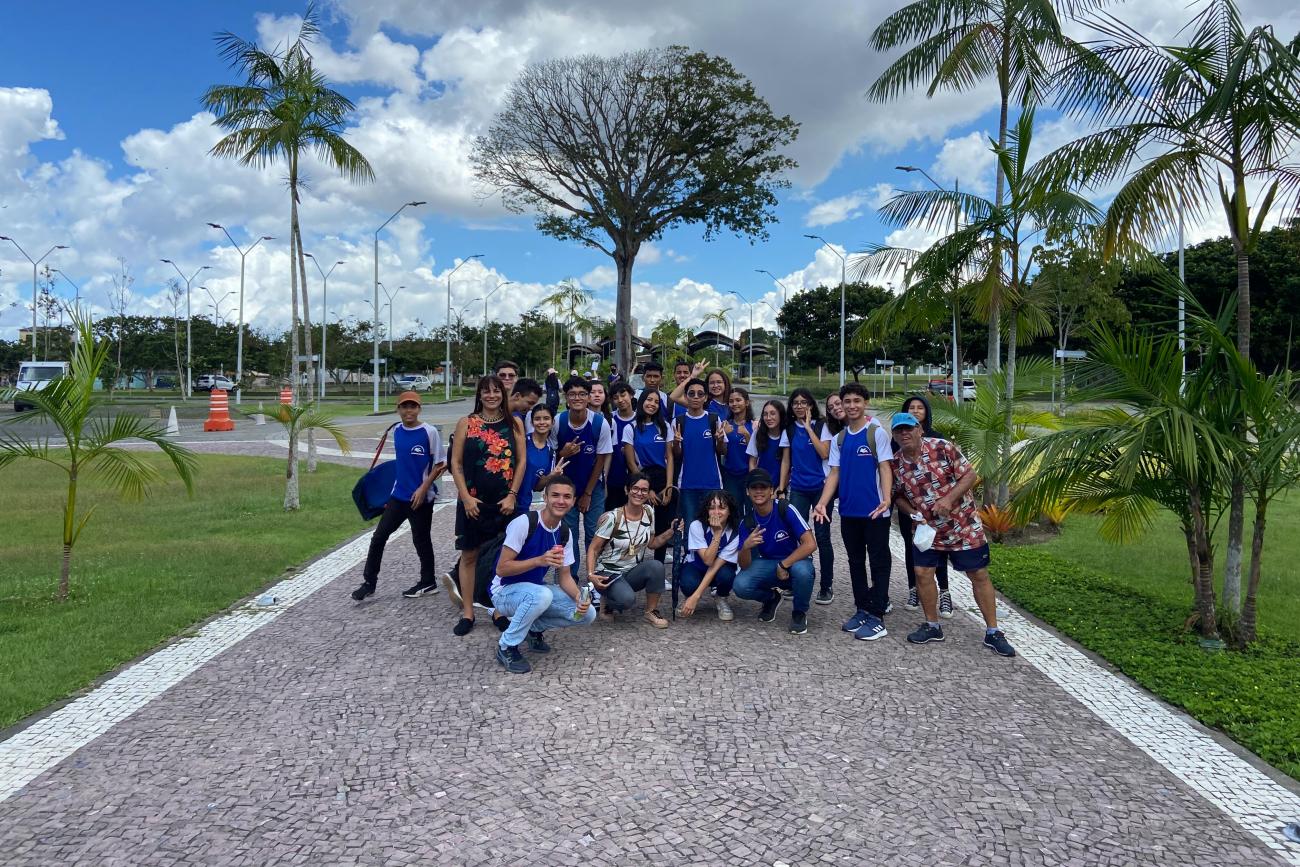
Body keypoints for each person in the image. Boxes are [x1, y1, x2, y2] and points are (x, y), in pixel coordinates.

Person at [891, 412, 1016, 657]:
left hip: (963, 525)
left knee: (978, 573)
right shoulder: (896, 463)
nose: (904, 434)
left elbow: (970, 475)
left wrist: (949, 499)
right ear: (894, 436)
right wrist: (913, 513)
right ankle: (932, 625)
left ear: (919, 429)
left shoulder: (942, 448)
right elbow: (897, 496)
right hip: (927, 530)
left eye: (908, 428)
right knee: (922, 573)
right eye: (899, 431)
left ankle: (993, 631)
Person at [489, 475, 597, 674]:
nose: (561, 501)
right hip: (503, 592)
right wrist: (539, 560)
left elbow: (564, 576)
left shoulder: (565, 532)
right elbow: (501, 569)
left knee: (588, 614)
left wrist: (578, 598)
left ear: (573, 501)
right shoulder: (524, 523)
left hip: (533, 592)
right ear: (545, 497)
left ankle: (533, 628)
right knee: (542, 595)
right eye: (555, 495)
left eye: (567, 496)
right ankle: (507, 646)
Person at [447, 374, 527, 636]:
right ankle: (468, 611)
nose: (491, 395)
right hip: (472, 502)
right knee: (469, 555)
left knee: (500, 557)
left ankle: (498, 608)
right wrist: (466, 497)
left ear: (503, 394)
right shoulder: (466, 423)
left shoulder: (513, 424)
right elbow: (456, 463)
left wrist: (513, 494)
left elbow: (521, 462)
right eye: (486, 391)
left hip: (503, 502)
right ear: (479, 395)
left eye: (496, 391)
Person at [814, 383, 894, 641]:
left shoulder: (876, 433)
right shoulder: (840, 438)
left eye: (856, 401)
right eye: (846, 401)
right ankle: (862, 609)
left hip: (875, 512)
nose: (851, 405)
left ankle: (877, 615)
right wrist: (822, 503)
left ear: (865, 403)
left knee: (879, 563)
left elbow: (884, 467)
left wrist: (888, 499)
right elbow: (834, 474)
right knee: (855, 562)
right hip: (849, 512)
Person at [351, 391, 446, 600]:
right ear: (398, 409)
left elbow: (440, 465)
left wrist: (423, 488)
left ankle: (428, 582)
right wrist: (391, 492)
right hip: (398, 496)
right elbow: (402, 465)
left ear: (419, 409)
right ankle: (369, 582)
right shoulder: (397, 431)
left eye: (413, 406)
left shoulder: (429, 432)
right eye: (404, 406)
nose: (409, 410)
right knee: (378, 537)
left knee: (421, 540)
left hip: (421, 498)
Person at [586, 473, 679, 628]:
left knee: (656, 566)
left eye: (644, 490)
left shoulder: (649, 512)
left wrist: (671, 531)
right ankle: (607, 600)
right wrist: (591, 575)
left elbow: (652, 543)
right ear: (627, 490)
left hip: (631, 571)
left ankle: (651, 611)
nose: (639, 493)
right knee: (626, 600)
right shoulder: (613, 517)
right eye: (635, 488)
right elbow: (593, 548)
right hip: (607, 573)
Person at [734, 468, 818, 634]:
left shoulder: (785, 509)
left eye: (763, 487)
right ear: (748, 492)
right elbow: (744, 566)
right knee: (740, 585)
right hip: (769, 564)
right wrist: (745, 547)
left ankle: (799, 613)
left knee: (802, 572)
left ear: (771, 491)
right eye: (754, 487)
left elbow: (810, 544)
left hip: (795, 560)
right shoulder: (747, 521)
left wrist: (783, 564)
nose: (759, 491)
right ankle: (771, 598)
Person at [897, 394, 951, 616]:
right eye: (911, 408)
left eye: (920, 408)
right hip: (909, 508)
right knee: (913, 548)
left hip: (937, 509)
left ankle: (945, 593)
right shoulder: (898, 441)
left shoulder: (939, 441)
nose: (916, 411)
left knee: (939, 550)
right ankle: (914, 589)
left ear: (927, 412)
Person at [552, 376, 613, 568]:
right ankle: (569, 576)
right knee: (567, 533)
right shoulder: (558, 421)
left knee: (594, 533)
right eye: (572, 394)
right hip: (565, 486)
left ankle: (595, 576)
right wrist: (564, 452)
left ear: (588, 398)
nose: (577, 398)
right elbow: (552, 453)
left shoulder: (599, 423)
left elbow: (601, 458)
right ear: (566, 398)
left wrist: (587, 493)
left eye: (582, 394)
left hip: (592, 485)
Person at [785, 387, 835, 604]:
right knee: (797, 536)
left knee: (822, 537)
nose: (799, 406)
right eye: (795, 402)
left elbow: (824, 453)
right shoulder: (788, 429)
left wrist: (808, 427)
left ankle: (826, 586)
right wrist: (781, 486)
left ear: (811, 405)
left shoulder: (822, 426)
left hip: (820, 489)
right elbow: (786, 460)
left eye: (804, 402)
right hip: (797, 488)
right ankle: (797, 580)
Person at [621, 389, 676, 563]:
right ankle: (635, 566)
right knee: (640, 525)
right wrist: (647, 489)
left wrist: (668, 487)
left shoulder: (664, 426)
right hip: (641, 480)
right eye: (649, 400)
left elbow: (670, 458)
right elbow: (631, 463)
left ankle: (659, 569)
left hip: (663, 479)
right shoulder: (631, 428)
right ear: (642, 401)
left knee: (662, 526)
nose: (652, 404)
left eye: (656, 401)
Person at [677, 490, 741, 621]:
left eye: (722, 508)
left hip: (718, 569)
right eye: (711, 508)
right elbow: (707, 560)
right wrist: (717, 534)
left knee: (727, 576)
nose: (716, 512)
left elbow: (713, 565)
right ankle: (687, 595)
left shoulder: (735, 533)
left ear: (730, 511)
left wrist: (697, 596)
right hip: (696, 566)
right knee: (688, 584)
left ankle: (721, 597)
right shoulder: (696, 525)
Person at [673, 377, 726, 524]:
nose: (696, 397)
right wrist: (677, 443)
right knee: (690, 525)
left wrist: (720, 440)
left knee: (713, 524)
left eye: (700, 394)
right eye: (691, 393)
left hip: (712, 483)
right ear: (685, 396)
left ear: (706, 397)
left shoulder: (714, 420)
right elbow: (676, 454)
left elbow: (722, 451)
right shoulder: (678, 421)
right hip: (687, 484)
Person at [604, 381, 639, 510]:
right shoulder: (608, 420)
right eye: (615, 397)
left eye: (623, 395)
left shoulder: (641, 420)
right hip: (613, 478)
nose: (620, 400)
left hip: (635, 479)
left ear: (631, 395)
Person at [719, 386, 754, 513]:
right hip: (730, 475)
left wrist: (748, 436)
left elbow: (758, 454)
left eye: (738, 400)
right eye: (731, 401)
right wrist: (723, 436)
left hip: (749, 475)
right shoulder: (725, 424)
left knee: (752, 511)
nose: (734, 404)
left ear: (747, 402)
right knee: (734, 511)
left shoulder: (755, 425)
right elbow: (723, 452)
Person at [746, 399, 790, 493]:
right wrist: (755, 483)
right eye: (765, 414)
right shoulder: (758, 433)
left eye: (773, 413)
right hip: (762, 487)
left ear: (781, 415)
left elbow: (789, 466)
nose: (768, 418)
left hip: (782, 487)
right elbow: (752, 462)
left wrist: (779, 490)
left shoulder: (788, 434)